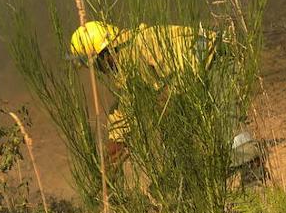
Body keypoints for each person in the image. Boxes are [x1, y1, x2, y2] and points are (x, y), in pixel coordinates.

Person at [69, 21, 261, 175]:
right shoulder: (125, 62)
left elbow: (188, 69)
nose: (99, 71)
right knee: (171, 124)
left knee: (225, 122)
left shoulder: (144, 45)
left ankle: (253, 171)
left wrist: (168, 99)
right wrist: (115, 145)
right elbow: (127, 109)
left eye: (95, 65)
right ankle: (187, 176)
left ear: (104, 54)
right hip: (194, 75)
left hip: (216, 62)